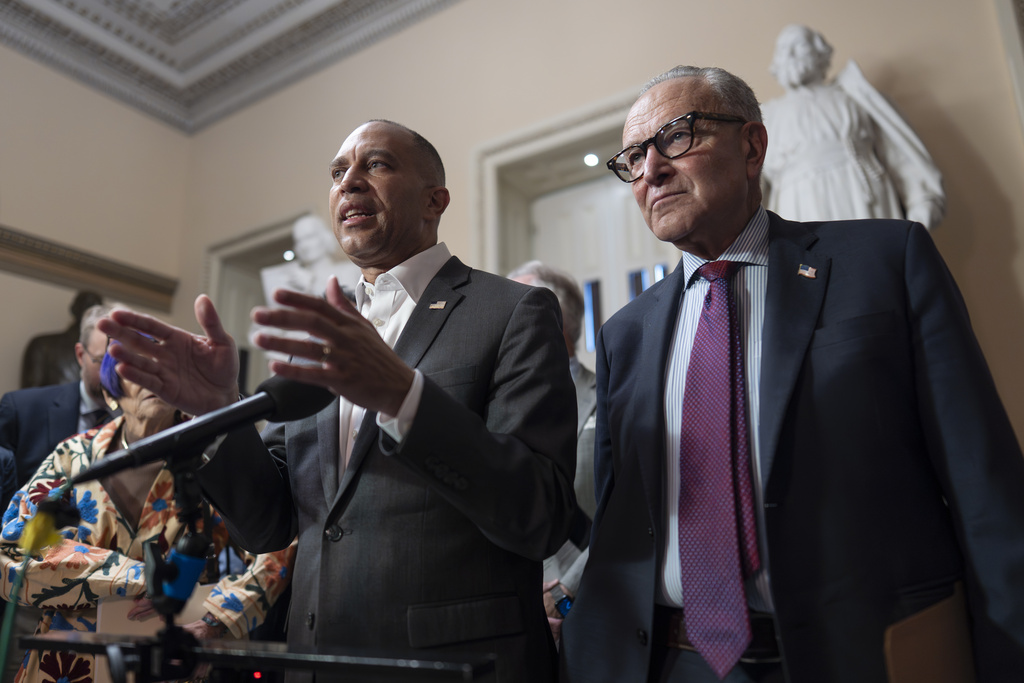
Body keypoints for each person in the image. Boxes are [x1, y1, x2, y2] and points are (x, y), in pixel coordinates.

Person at [560, 65, 1024, 683]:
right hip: (674, 662)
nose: (651, 170)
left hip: (865, 654)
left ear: (752, 146)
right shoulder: (625, 334)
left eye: (675, 137)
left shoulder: (886, 262)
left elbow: (983, 486)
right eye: (634, 158)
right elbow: (621, 524)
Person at [98, 120, 578, 683]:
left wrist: (405, 397)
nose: (348, 182)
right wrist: (219, 411)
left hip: (450, 665)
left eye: (376, 164)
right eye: (337, 172)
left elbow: (540, 515)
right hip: (315, 659)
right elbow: (269, 525)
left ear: (435, 200)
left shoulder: (513, 311)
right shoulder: (319, 334)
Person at [0, 338, 295, 683]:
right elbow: (13, 550)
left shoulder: (215, 454)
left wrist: (216, 621)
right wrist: (141, 578)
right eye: (136, 369)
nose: (152, 378)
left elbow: (278, 549)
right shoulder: (74, 456)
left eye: (162, 367)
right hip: (67, 665)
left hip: (171, 662)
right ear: (110, 393)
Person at [761, 24, 945, 230]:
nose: (791, 54)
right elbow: (751, 183)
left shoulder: (854, 98)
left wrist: (921, 201)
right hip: (798, 206)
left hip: (860, 197)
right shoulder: (768, 116)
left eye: (799, 45)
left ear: (820, 52)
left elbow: (898, 156)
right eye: (783, 49)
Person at [507, 260, 596, 643]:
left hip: (589, 607)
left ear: (556, 320)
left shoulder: (613, 398)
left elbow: (633, 511)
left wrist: (564, 595)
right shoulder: (490, 406)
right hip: (506, 613)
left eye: (516, 308)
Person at [0, 304, 117, 510]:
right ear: (80, 355)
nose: (113, 373)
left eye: (120, 362)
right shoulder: (22, 410)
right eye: (102, 361)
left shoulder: (143, 421)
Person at [20, 291, 103, 389]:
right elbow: (30, 392)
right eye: (87, 305)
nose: (89, 313)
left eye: (96, 310)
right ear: (74, 309)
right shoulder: (43, 345)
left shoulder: (104, 354)